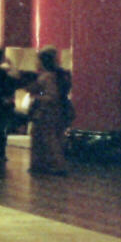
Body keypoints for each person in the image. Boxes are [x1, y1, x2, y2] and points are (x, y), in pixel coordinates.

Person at [29, 46, 70, 175]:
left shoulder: (46, 77)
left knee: (47, 139)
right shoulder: (60, 75)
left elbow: (51, 95)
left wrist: (36, 96)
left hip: (47, 111)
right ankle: (47, 164)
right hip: (58, 110)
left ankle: (55, 165)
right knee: (53, 138)